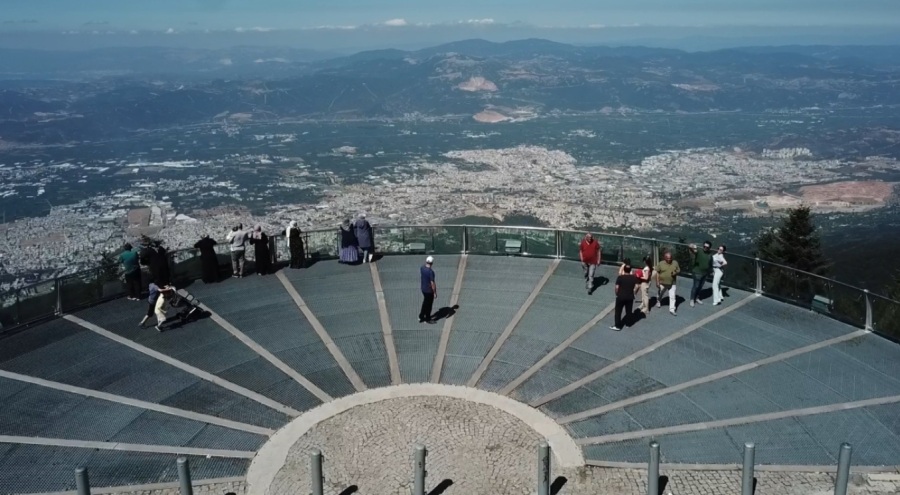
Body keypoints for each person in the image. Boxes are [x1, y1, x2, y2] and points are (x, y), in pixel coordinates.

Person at [611, 259, 638, 331]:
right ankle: (628, 324)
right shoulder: (633, 278)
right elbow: (636, 286)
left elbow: (617, 287)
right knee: (629, 311)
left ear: (624, 269)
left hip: (621, 296)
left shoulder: (620, 278)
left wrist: (617, 293)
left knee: (618, 311)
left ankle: (618, 326)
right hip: (630, 297)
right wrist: (634, 292)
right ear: (630, 270)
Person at [689, 241, 713, 307]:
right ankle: (692, 299)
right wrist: (693, 246)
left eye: (707, 247)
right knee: (696, 286)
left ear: (709, 248)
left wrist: (711, 271)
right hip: (697, 272)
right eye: (704, 246)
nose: (705, 248)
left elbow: (710, 263)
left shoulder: (710, 255)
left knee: (700, 287)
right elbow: (691, 247)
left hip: (705, 273)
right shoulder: (699, 251)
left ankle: (696, 298)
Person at [656, 251, 680, 316]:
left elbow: (678, 270)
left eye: (670, 258)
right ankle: (658, 300)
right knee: (661, 293)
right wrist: (657, 281)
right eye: (668, 258)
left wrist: (675, 273)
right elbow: (657, 272)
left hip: (672, 283)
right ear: (665, 258)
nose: (669, 259)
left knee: (672, 296)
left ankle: (672, 309)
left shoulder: (675, 263)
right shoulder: (661, 263)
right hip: (662, 282)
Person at [419, 256, 437, 323]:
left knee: (425, 303)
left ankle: (421, 316)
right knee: (429, 305)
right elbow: (432, 283)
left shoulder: (422, 268)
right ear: (432, 263)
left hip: (423, 289)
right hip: (429, 291)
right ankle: (427, 318)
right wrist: (434, 292)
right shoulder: (431, 272)